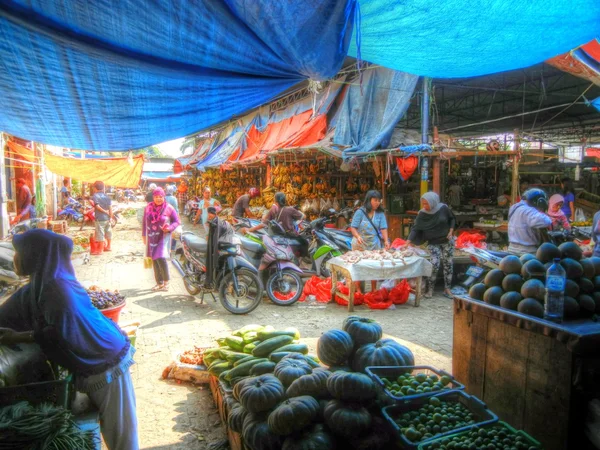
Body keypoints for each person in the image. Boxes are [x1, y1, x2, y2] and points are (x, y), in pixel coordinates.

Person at [0, 230, 139, 450]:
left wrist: (17, 336)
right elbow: (11, 311)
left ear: (35, 255)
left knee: (122, 437)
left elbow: (58, 334)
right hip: (95, 362)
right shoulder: (42, 283)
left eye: (18, 252)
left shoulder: (57, 291)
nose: (14, 258)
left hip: (108, 362)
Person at [405, 192, 456, 299]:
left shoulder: (443, 208)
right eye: (423, 204)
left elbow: (452, 219)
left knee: (448, 264)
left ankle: (447, 289)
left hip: (447, 241)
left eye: (426, 204)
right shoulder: (422, 214)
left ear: (433, 202)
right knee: (434, 265)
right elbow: (415, 228)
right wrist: (408, 241)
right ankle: (430, 289)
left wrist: (451, 231)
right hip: (433, 242)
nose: (425, 206)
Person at [350, 190, 390, 292]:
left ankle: (373, 289)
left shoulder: (380, 213)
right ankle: (358, 289)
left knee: (374, 267)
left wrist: (386, 241)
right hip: (360, 244)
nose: (377, 203)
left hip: (374, 244)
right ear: (369, 200)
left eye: (379, 200)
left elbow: (383, 228)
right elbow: (353, 227)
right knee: (359, 266)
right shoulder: (360, 212)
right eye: (375, 200)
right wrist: (358, 236)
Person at [143, 187, 180, 291]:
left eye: (160, 197)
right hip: (151, 237)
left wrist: (169, 228)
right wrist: (143, 236)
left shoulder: (169, 208)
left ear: (164, 197)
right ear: (153, 197)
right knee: (154, 259)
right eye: (156, 197)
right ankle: (159, 283)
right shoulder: (148, 207)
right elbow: (144, 223)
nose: (158, 199)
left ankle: (166, 282)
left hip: (163, 237)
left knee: (161, 257)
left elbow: (177, 221)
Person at [507, 188, 553, 255]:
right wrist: (543, 213)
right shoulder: (528, 211)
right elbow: (547, 221)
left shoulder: (515, 207)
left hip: (512, 249)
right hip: (526, 252)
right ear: (538, 201)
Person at [205, 206, 235, 288]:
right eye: (209, 213)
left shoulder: (219, 223)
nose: (209, 215)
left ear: (215, 214)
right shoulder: (214, 222)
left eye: (211, 213)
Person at [92, 181, 113, 251]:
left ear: (95, 188)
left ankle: (100, 250)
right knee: (108, 232)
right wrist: (110, 217)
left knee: (100, 233)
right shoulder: (107, 196)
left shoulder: (95, 196)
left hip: (100, 218)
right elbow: (110, 208)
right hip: (107, 219)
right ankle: (109, 246)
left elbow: (97, 207)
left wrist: (105, 212)